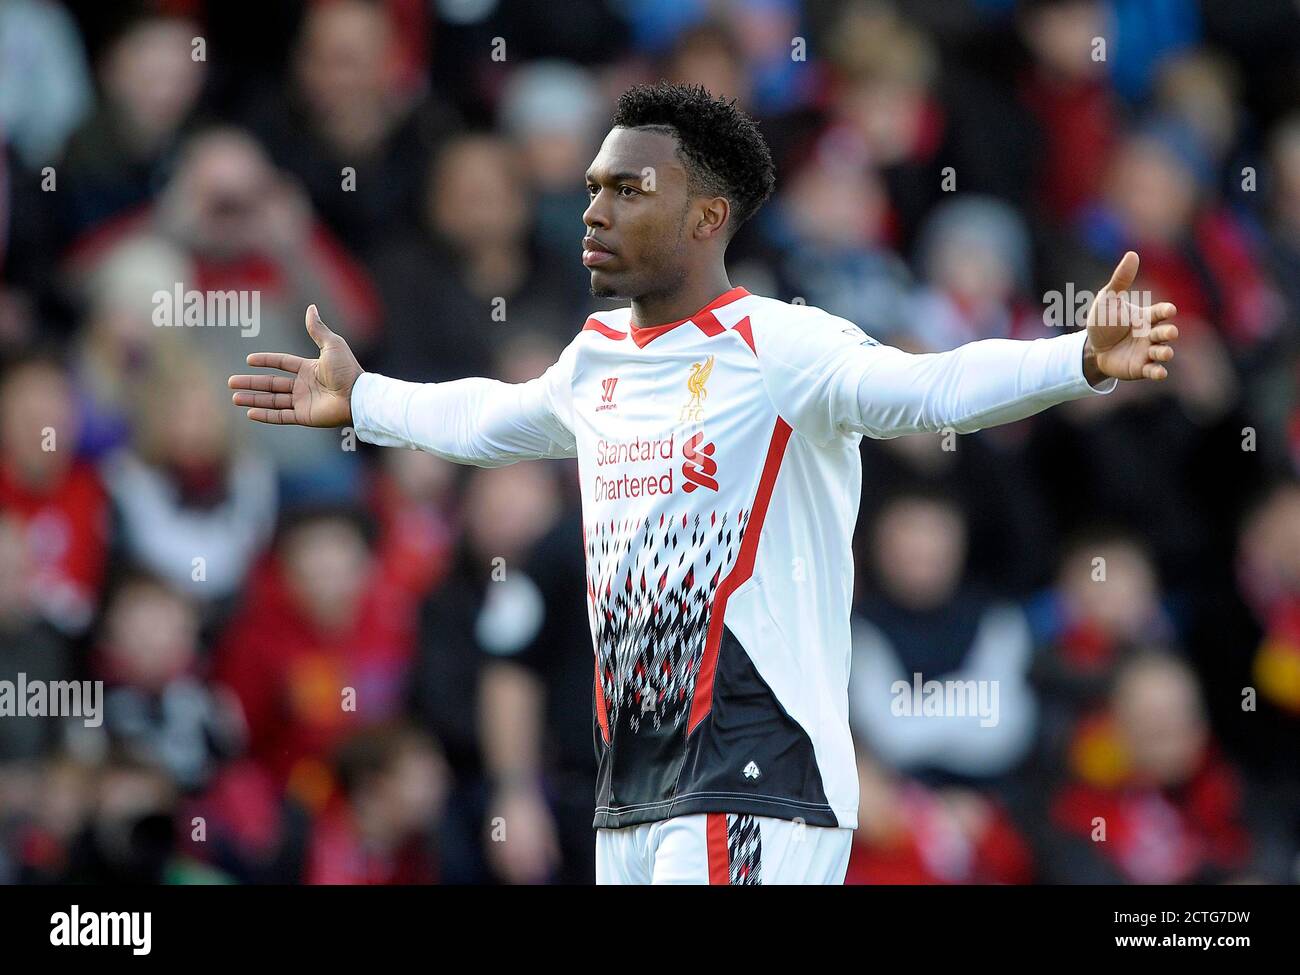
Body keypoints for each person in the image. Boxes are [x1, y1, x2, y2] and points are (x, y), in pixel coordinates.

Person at [228, 82, 1181, 885]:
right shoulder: (598, 355)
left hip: (757, 769)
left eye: (627, 190)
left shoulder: (781, 344)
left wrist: (1076, 359)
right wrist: (364, 400)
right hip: (633, 785)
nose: (594, 210)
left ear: (706, 216)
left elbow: (927, 390)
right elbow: (488, 421)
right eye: (593, 188)